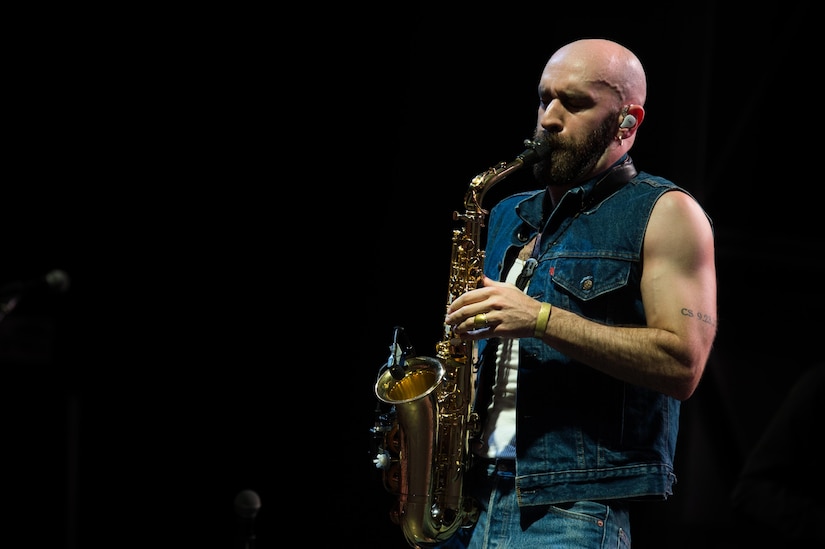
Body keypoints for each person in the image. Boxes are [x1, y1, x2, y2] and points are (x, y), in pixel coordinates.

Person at [437, 38, 718, 548]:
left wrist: (541, 318)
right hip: (469, 500)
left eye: (575, 102)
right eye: (545, 99)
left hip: (570, 509)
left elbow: (683, 365)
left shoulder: (666, 212)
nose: (549, 118)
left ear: (627, 123)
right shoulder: (505, 214)